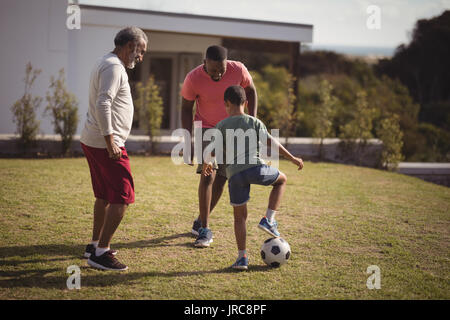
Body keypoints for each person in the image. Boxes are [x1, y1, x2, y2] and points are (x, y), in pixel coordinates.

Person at [202, 85, 304, 270]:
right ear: (246, 103)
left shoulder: (221, 125)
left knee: (239, 218)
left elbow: (212, 150)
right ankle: (269, 219)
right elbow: (272, 143)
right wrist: (292, 158)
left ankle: (242, 258)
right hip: (255, 168)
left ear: (226, 103)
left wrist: (208, 163)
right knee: (282, 180)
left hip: (234, 175)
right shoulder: (254, 122)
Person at [79, 27, 148, 271]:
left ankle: (94, 244)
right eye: (140, 51)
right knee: (122, 197)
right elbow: (103, 102)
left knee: (103, 195)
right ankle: (101, 253)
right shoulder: (114, 66)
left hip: (93, 140)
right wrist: (111, 142)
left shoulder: (105, 61)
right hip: (106, 144)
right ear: (130, 45)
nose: (141, 57)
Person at [181, 45, 258, 248]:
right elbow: (186, 107)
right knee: (208, 175)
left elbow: (250, 91)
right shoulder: (193, 78)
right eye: (214, 70)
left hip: (232, 128)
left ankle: (199, 221)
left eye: (221, 70)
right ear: (204, 62)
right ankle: (204, 230)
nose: (218, 74)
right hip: (206, 129)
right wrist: (187, 140)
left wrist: (251, 120)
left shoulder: (238, 69)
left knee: (222, 178)